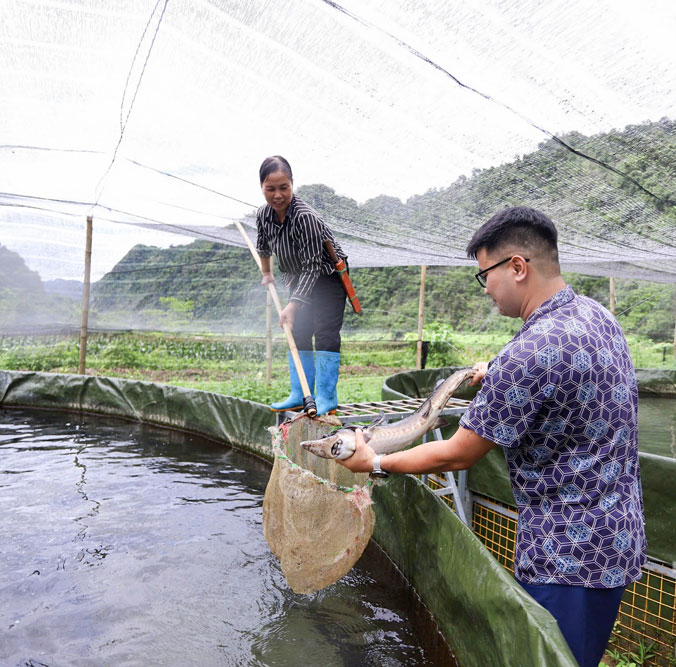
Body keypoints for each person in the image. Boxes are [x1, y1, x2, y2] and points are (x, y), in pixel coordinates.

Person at [338, 206, 646, 667]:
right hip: (617, 536)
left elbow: (457, 453)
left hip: (566, 556)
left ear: (517, 267)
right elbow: (558, 376)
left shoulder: (530, 353)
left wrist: (376, 462)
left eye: (485, 276)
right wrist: (497, 370)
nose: (486, 291)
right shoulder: (598, 317)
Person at [256, 155, 349, 415]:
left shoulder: (305, 218)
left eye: (283, 187)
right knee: (298, 332)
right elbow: (263, 247)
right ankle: (300, 394)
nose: (277, 195)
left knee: (325, 332)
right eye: (270, 189)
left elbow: (312, 266)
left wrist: (294, 304)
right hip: (298, 279)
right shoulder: (263, 215)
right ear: (262, 187)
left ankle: (326, 398)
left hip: (328, 275)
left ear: (292, 184)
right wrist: (267, 273)